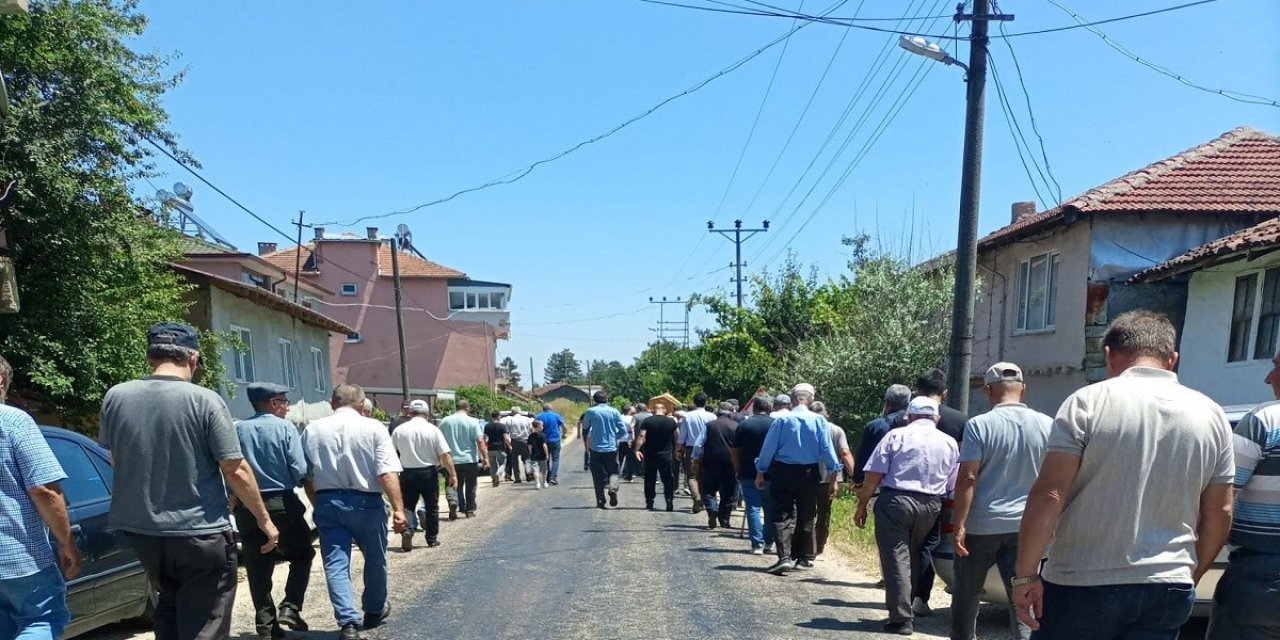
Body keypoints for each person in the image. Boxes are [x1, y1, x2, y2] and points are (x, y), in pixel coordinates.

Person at [1013, 310, 1234, 640]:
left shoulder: (1086, 403)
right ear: (1172, 359)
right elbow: (1221, 511)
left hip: (1081, 580)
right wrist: (1190, 573)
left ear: (1108, 355)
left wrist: (1025, 575)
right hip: (1167, 583)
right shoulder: (1212, 415)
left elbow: (1050, 494)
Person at [99, 323, 278, 640]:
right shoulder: (205, 400)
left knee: (169, 606)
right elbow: (234, 468)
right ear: (193, 358)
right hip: (198, 531)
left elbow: (117, 460)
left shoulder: (116, 397)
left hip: (144, 531)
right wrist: (264, 520)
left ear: (149, 358)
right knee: (205, 621)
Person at [949, 363, 1050, 640]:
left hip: (982, 525)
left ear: (987, 390)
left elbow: (968, 477)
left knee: (967, 594)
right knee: (1022, 597)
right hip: (1026, 528)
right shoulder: (1047, 425)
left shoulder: (979, 425)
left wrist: (959, 524)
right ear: (1023, 389)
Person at [303, 384, 406, 639]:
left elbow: (306, 476)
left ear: (332, 403)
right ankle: (373, 609)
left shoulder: (312, 429)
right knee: (375, 558)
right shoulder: (373, 428)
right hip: (367, 502)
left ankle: (348, 622)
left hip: (327, 500)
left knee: (335, 563)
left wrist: (320, 504)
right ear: (363, 405)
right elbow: (386, 472)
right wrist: (398, 509)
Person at [855, 396, 959, 636]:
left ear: (909, 416)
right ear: (937, 418)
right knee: (914, 555)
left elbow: (873, 476)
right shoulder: (950, 442)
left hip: (896, 501)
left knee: (895, 557)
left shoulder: (895, 436)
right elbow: (952, 482)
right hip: (932, 504)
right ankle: (911, 605)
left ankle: (901, 618)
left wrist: (862, 505)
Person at [0, 354, 81, 640]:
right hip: (18, 557)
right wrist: (66, 540)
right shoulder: (13, 422)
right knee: (42, 620)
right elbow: (43, 489)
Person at [233, 382, 316, 639]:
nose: (288, 407)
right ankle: (290, 606)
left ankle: (267, 626)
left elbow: (229, 466)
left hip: (247, 505)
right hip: (282, 503)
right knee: (302, 554)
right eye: (284, 401)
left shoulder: (238, 430)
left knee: (257, 566)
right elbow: (299, 469)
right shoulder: (285, 428)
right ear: (272, 403)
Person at [1207, 350, 1280, 639]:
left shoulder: (1266, 421)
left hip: (1261, 577)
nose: (1268, 378)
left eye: (1275, 367)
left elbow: (1221, 501)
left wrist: (1196, 568)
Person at [755, 383, 841, 575]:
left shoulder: (782, 420)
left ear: (792, 400)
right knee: (807, 514)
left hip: (784, 471)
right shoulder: (819, 420)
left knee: (781, 514)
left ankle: (784, 557)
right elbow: (827, 449)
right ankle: (804, 557)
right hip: (810, 473)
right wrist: (834, 474)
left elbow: (769, 448)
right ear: (810, 400)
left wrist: (760, 471)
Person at [902, 369, 966, 615]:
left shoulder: (906, 417)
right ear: (945, 393)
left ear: (917, 391)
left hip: (902, 491)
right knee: (929, 545)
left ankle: (899, 593)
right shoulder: (960, 421)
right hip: (940, 493)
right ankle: (920, 597)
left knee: (901, 544)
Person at [392, 399, 457, 552]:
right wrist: (452, 474)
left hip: (407, 472)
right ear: (427, 413)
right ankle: (431, 539)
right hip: (428, 472)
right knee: (431, 506)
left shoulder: (400, 430)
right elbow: (445, 455)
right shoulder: (433, 429)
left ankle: (407, 530)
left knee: (407, 506)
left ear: (410, 412)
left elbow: (390, 452)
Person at [810, 401, 855, 559]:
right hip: (831, 479)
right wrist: (855, 476)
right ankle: (820, 545)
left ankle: (809, 546)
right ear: (826, 413)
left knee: (807, 512)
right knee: (824, 513)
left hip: (808, 478)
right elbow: (844, 453)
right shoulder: (836, 430)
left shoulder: (807, 429)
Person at [733, 393, 777, 555]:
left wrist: (737, 468)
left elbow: (735, 450)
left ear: (755, 407)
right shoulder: (776, 424)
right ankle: (769, 541)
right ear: (769, 408)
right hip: (771, 473)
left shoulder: (745, 425)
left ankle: (756, 544)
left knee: (752, 507)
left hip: (748, 472)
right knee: (770, 507)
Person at [852, 385, 912, 487]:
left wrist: (858, 480)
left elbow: (863, 456)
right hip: (909, 486)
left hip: (876, 485)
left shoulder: (875, 426)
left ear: (887, 402)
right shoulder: (916, 426)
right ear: (908, 403)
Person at [438, 399, 488, 518]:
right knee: (471, 485)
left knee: (453, 483)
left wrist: (439, 459)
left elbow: (438, 441)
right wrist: (485, 457)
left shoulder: (445, 421)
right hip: (469, 459)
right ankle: (469, 510)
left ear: (456, 408)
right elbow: (480, 441)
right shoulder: (473, 422)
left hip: (451, 459)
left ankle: (455, 502)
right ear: (468, 408)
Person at [694, 401, 740, 529]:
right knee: (729, 492)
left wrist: (695, 459)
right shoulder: (737, 426)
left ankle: (712, 510)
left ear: (718, 412)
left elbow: (698, 444)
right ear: (731, 413)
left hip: (710, 462)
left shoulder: (709, 425)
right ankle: (724, 520)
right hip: (731, 462)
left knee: (708, 489)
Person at [583, 390, 629, 509]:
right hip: (611, 448)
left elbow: (585, 426)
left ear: (594, 400)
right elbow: (623, 430)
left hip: (596, 449)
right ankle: (613, 489)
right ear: (607, 399)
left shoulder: (591, 411)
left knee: (597, 476)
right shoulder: (614, 411)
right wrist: (615, 437)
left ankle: (600, 500)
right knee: (613, 471)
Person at [635, 399, 679, 511]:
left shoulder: (647, 421)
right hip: (666, 455)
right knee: (668, 478)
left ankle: (650, 501)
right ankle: (669, 500)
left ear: (654, 410)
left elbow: (642, 436)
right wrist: (677, 449)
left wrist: (637, 449)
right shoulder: (671, 422)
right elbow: (677, 436)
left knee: (650, 479)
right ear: (664, 410)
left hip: (650, 454)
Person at [676, 393, 715, 514]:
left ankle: (696, 497)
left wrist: (678, 449)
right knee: (705, 475)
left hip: (691, 448)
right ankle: (703, 500)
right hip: (707, 448)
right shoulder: (712, 416)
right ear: (706, 402)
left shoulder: (688, 416)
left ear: (694, 402)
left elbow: (682, 436)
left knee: (692, 475)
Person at [534, 404, 565, 485]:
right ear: (551, 409)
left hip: (543, 440)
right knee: (555, 459)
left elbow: (534, 428)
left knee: (545, 458)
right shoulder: (556, 416)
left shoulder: (538, 416)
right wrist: (564, 433)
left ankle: (547, 477)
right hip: (555, 440)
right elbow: (563, 426)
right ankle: (553, 478)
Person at [502, 407, 533, 484]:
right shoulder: (527, 419)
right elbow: (531, 430)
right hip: (525, 440)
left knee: (515, 461)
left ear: (512, 412)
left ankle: (517, 478)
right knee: (527, 459)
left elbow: (507, 433)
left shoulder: (510, 420)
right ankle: (529, 475)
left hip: (514, 441)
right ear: (520, 412)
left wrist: (508, 444)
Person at [483, 410, 510, 487]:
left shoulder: (487, 426)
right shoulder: (502, 426)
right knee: (502, 463)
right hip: (500, 448)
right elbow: (506, 438)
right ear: (498, 416)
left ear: (492, 416)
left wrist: (485, 446)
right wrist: (509, 446)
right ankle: (498, 474)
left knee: (492, 464)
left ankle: (493, 478)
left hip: (490, 448)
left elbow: (485, 438)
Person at [617, 405, 637, 482]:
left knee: (620, 458)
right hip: (630, 439)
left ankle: (620, 472)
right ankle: (629, 474)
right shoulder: (632, 418)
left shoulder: (620, 417)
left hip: (620, 440)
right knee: (630, 458)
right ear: (630, 411)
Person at [528, 420, 550, 489]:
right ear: (538, 426)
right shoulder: (542, 435)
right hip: (542, 455)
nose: (543, 427)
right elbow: (544, 445)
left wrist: (530, 453)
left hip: (534, 455)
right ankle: (544, 482)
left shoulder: (531, 436)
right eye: (541, 426)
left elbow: (530, 446)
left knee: (535, 470)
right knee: (544, 469)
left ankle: (537, 483)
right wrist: (546, 454)